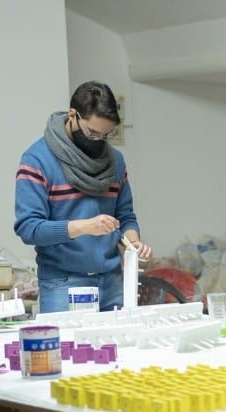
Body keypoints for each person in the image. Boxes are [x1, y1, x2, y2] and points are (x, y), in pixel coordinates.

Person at [15, 81, 152, 314]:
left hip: (112, 281)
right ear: (73, 116)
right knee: (67, 340)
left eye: (106, 135)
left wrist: (133, 243)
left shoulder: (115, 161)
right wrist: (85, 227)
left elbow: (125, 216)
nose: (99, 140)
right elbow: (29, 228)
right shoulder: (37, 161)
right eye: (92, 133)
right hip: (63, 284)